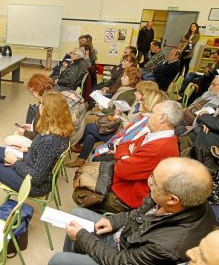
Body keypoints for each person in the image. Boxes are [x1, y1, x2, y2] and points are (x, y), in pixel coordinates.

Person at [49, 157, 216, 265]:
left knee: (60, 260)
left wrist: (82, 236)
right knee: (78, 215)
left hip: (123, 255)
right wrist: (114, 221)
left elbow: (120, 261)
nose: (149, 181)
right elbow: (138, 214)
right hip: (128, 237)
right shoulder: (176, 197)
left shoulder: (166, 246)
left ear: (172, 199)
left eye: (153, 180)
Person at [73, 100, 183, 213]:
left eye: (153, 112)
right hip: (122, 181)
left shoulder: (160, 147)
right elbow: (125, 144)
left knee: (80, 194)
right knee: (83, 176)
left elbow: (122, 170)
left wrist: (126, 156)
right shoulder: (153, 134)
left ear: (162, 118)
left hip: (125, 196)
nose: (149, 115)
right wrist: (127, 156)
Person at [66, 67, 141, 168]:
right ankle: (81, 159)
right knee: (90, 136)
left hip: (117, 130)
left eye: (124, 77)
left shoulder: (128, 95)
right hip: (116, 125)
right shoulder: (126, 91)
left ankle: (76, 143)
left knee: (88, 127)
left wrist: (103, 109)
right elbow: (117, 109)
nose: (121, 78)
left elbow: (117, 113)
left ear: (131, 80)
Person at [91, 87, 165, 163]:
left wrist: (120, 118)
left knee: (90, 129)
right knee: (90, 136)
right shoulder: (142, 115)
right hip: (120, 141)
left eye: (142, 100)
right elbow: (128, 131)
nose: (138, 101)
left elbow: (132, 140)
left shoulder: (149, 123)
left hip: (121, 147)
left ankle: (81, 156)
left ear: (149, 103)